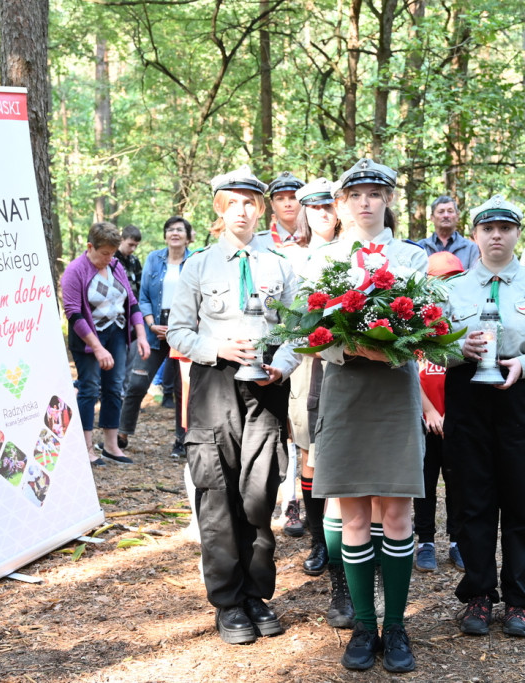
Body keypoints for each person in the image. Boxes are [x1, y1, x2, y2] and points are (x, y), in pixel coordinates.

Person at [166, 165, 301, 646]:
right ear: (220, 209)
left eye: (251, 202)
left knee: (260, 492)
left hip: (265, 387)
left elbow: (298, 328)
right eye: (234, 202)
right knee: (217, 490)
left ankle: (257, 594)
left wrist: (282, 365)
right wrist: (217, 348)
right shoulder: (198, 266)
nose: (243, 210)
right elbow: (178, 331)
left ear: (260, 209)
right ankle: (228, 601)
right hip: (215, 384)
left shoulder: (280, 265)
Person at [306, 158, 427, 673]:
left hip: (396, 392)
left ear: (387, 200)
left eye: (375, 192)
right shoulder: (325, 258)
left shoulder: (413, 257)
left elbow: (425, 323)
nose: (365, 201)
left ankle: (395, 626)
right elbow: (309, 329)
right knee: (353, 514)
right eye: (355, 193)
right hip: (345, 390)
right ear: (342, 203)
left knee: (397, 515)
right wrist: (350, 349)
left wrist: (391, 349)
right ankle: (362, 625)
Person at [444, 195, 525, 640]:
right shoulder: (453, 288)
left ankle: (519, 599)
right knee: (472, 501)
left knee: (521, 501)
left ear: (517, 233)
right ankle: (479, 594)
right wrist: (456, 349)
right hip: (468, 399)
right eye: (487, 228)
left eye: (505, 228)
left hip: (522, 397)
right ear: (475, 235)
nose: (496, 235)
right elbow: (427, 343)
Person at [62, 222, 151, 466]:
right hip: (88, 338)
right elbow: (74, 313)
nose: (109, 258)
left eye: (112, 253)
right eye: (104, 253)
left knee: (114, 388)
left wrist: (141, 336)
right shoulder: (75, 270)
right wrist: (97, 348)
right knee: (90, 388)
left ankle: (111, 446)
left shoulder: (115, 265)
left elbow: (131, 303)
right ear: (90, 246)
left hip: (117, 333)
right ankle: (86, 448)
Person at [287, 177, 340, 575]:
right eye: (314, 207)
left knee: (350, 455)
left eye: (328, 206)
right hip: (309, 362)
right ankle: (320, 542)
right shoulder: (293, 257)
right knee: (310, 453)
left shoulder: (357, 250)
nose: (322, 213)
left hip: (353, 361)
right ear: (304, 211)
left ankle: (354, 540)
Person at [119, 216, 192, 458]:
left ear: (187, 236)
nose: (174, 233)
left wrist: (185, 328)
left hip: (185, 332)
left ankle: (182, 442)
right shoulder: (153, 259)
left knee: (183, 390)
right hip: (155, 330)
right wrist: (150, 325)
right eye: (170, 229)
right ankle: (122, 433)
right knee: (138, 382)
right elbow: (144, 298)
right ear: (165, 235)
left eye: (179, 229)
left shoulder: (195, 261)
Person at [413, 252, 466, 574]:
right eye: (440, 281)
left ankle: (459, 540)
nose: (447, 289)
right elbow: (407, 372)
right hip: (423, 419)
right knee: (425, 482)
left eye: (454, 281)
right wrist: (430, 411)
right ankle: (426, 541)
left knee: (459, 482)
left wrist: (452, 415)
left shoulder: (462, 326)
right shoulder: (416, 327)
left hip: (456, 419)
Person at [263, 170, 307, 537]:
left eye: (295, 196)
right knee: (285, 428)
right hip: (278, 344)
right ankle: (288, 501)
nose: (289, 203)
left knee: (311, 429)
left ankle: (321, 507)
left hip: (317, 342)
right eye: (281, 197)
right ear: (272, 205)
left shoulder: (323, 239)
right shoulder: (262, 243)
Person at [417, 195, 480, 269]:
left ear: (457, 216)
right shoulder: (421, 247)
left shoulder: (471, 248)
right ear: (432, 218)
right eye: (441, 212)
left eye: (450, 211)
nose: (446, 215)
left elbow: (475, 277)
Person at [115, 224, 144, 299]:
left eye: (136, 246)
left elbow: (141, 285)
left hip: (135, 305)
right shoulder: (111, 260)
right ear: (122, 240)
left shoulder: (134, 260)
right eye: (130, 245)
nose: (133, 249)